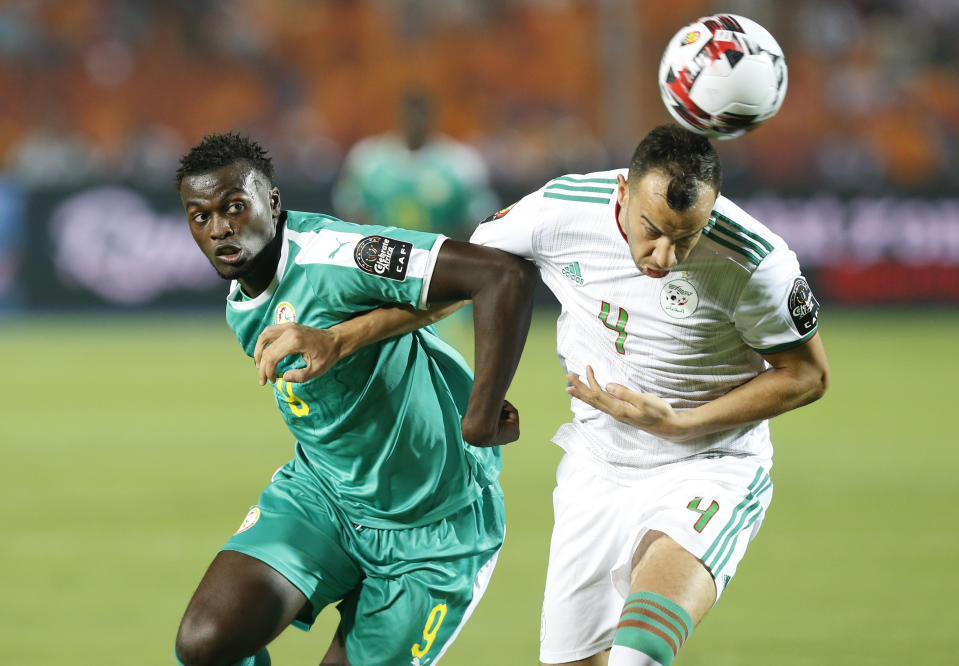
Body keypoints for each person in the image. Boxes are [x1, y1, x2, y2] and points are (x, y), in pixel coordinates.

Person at [305, 124, 831, 665]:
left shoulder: (757, 262)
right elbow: (464, 278)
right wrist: (340, 338)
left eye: (687, 237)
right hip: (596, 469)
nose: (665, 256)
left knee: (639, 653)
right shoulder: (561, 212)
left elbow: (807, 375)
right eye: (651, 230)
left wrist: (679, 423)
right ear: (623, 194)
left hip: (708, 464)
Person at [172, 132, 535, 666]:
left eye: (234, 207)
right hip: (325, 497)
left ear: (272, 202)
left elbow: (500, 275)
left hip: (434, 529)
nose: (219, 228)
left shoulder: (341, 255)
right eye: (200, 217)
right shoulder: (242, 292)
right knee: (205, 643)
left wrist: (480, 415)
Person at [332, 89, 497, 240]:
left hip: (440, 260)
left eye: (420, 116)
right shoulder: (367, 157)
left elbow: (477, 218)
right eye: (409, 116)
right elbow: (350, 210)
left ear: (431, 117)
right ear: (399, 116)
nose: (414, 122)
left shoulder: (461, 162)